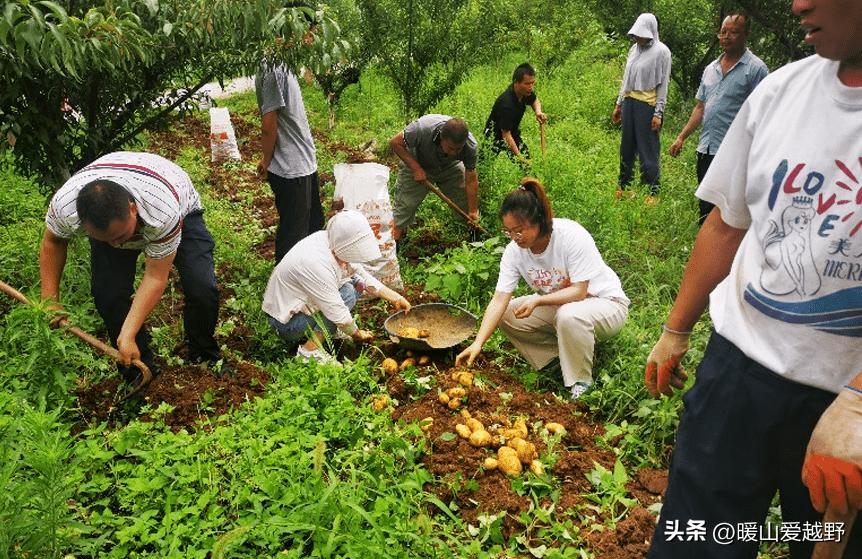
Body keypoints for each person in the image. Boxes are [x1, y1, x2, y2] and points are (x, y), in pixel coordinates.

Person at [643, 0, 862, 556]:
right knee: (696, 539)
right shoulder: (782, 92)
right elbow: (726, 223)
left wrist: (859, 404)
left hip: (842, 404)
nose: (797, 4)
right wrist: (676, 329)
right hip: (737, 370)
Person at [39, 151, 223, 381]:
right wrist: (49, 299)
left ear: (132, 208)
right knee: (108, 295)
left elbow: (155, 276)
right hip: (125, 189)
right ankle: (137, 372)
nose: (117, 244)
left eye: (120, 235)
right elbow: (53, 241)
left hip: (175, 198)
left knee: (201, 286)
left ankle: (203, 354)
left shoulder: (162, 211)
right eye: (106, 239)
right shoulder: (66, 206)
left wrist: (129, 331)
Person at [456, 178, 629, 399]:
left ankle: (581, 383)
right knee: (508, 314)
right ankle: (557, 360)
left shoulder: (570, 235)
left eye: (519, 230)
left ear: (538, 220)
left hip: (607, 304)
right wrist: (478, 343)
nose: (514, 237)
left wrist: (538, 300)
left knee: (569, 315)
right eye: (508, 231)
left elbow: (579, 291)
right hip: (566, 307)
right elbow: (499, 300)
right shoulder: (514, 251)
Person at [262, 210, 412, 364]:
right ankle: (309, 351)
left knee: (355, 284)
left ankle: (328, 330)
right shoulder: (317, 264)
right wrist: (357, 334)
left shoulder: (330, 240)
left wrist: (395, 298)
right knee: (346, 293)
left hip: (300, 307)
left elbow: (361, 275)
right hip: (286, 324)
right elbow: (338, 312)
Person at [668, 13, 768, 224]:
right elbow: (700, 107)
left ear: (747, 34)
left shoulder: (756, 69)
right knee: (705, 202)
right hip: (707, 149)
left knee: (730, 208)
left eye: (734, 32)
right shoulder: (710, 69)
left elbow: (763, 114)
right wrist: (681, 137)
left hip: (735, 152)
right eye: (723, 32)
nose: (727, 36)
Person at [255, 60, 325, 263]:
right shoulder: (273, 69)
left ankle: (308, 275)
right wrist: (266, 161)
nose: (311, 39)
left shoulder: (285, 64)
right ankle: (285, 288)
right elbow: (268, 124)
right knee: (294, 236)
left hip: (304, 163)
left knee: (313, 225)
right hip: (291, 168)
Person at [390, 115, 480, 242]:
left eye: (458, 149)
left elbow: (471, 180)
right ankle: (394, 243)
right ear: (441, 137)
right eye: (450, 148)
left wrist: (473, 210)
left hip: (450, 166)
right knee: (405, 205)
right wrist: (416, 168)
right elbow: (395, 142)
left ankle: (475, 241)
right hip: (418, 162)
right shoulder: (422, 129)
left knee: (465, 201)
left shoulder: (470, 145)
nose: (454, 152)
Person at [612, 13, 671, 204]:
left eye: (641, 34)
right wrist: (619, 104)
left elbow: (663, 85)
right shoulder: (633, 49)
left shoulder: (662, 52)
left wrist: (658, 113)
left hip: (647, 105)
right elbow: (626, 80)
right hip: (629, 102)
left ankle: (652, 190)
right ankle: (624, 185)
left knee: (648, 148)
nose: (638, 37)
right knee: (626, 147)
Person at [484, 62, 549, 161]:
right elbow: (505, 134)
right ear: (516, 82)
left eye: (532, 83)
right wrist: (520, 158)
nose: (531, 87)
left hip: (512, 131)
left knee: (527, 164)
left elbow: (534, 100)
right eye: (527, 83)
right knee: (484, 165)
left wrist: (538, 112)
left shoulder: (525, 92)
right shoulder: (506, 103)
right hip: (494, 135)